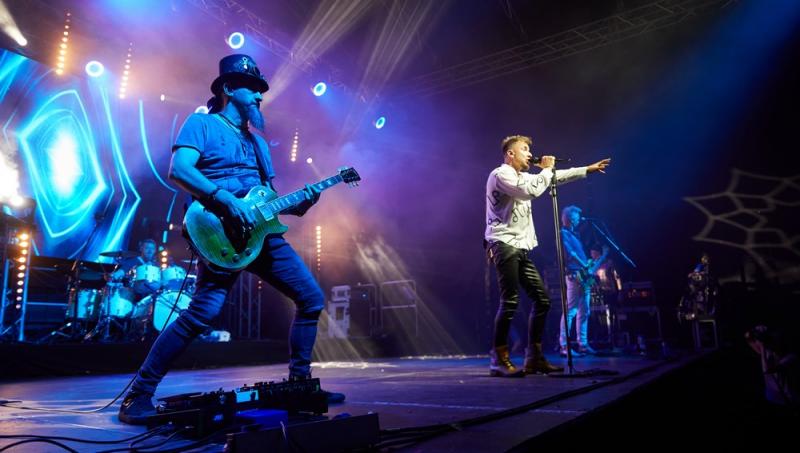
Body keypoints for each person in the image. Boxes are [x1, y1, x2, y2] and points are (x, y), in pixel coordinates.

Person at [119, 54, 339, 424]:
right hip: (218, 230)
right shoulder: (202, 123)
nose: (259, 96)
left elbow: (269, 198)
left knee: (311, 298)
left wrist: (298, 205)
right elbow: (179, 169)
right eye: (252, 88)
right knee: (201, 313)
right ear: (228, 88)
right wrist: (224, 199)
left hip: (260, 236)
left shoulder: (260, 145)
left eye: (260, 90)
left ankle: (300, 386)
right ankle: (138, 394)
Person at [485, 134, 610, 377]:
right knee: (510, 300)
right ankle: (498, 358)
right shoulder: (500, 175)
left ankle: (534, 357)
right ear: (510, 154)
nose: (530, 153)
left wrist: (587, 169)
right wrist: (546, 169)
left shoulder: (524, 176)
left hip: (521, 246)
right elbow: (529, 191)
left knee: (542, 300)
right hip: (503, 244)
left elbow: (555, 177)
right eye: (524, 149)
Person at [558, 206, 603, 356]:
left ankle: (583, 344)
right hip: (574, 274)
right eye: (577, 217)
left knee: (585, 310)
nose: (579, 219)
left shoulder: (575, 234)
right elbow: (570, 254)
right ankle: (564, 346)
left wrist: (588, 266)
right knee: (571, 310)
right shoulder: (563, 233)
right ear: (571, 219)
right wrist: (585, 265)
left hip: (582, 275)